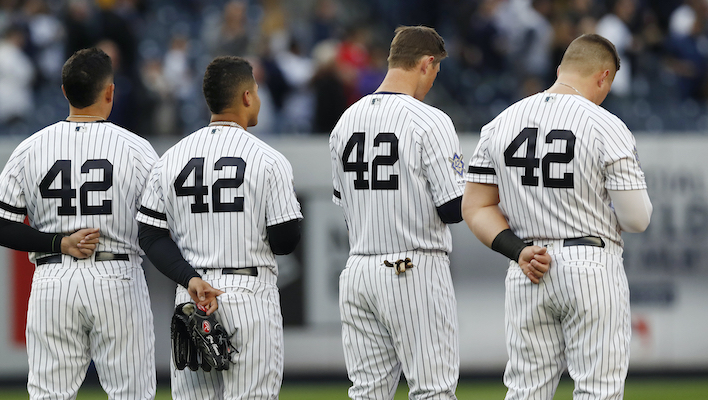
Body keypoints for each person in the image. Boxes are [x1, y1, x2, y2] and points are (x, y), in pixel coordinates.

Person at [462, 33, 652, 400]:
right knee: (598, 391)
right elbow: (636, 219)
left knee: (525, 391)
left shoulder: (500, 122)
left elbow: (476, 206)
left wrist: (517, 250)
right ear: (604, 77)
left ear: (560, 69)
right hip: (590, 264)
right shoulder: (606, 124)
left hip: (528, 264)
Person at [0, 48, 158, 400]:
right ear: (110, 92)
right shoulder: (137, 149)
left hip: (54, 280)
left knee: (49, 394)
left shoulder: (31, 148)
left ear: (64, 92)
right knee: (133, 394)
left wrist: (59, 243)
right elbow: (164, 224)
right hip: (118, 277)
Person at [136, 55, 303, 399]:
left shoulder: (171, 158)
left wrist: (191, 279)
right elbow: (286, 240)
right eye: (255, 91)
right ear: (246, 97)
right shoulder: (268, 159)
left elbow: (151, 236)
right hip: (249, 294)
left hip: (193, 295)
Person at [329, 26, 464, 399]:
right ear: (426, 63)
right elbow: (453, 207)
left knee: (368, 392)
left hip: (358, 271)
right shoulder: (430, 120)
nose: (434, 79)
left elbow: (344, 206)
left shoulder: (345, 122)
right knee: (433, 390)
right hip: (412, 268)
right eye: (436, 70)